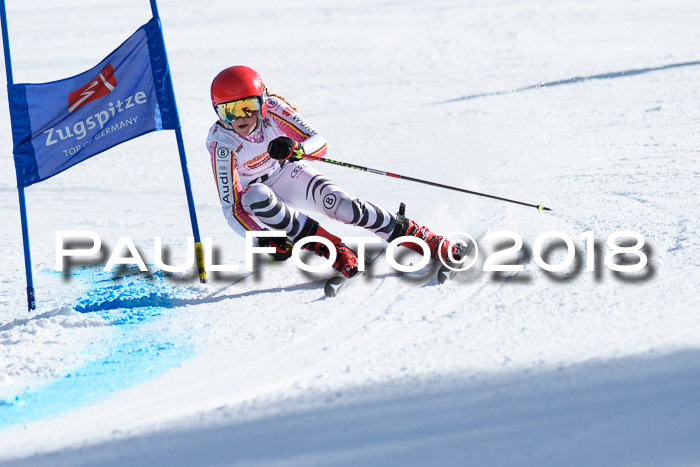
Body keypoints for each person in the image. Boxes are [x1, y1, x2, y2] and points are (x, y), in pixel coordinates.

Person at [206, 65, 463, 278]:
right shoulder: (222, 145)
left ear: (262, 101)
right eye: (227, 111)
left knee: (343, 207)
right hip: (258, 193)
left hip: (286, 173)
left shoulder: (273, 109)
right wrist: (262, 239)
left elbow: (319, 143)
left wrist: (297, 148)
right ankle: (335, 250)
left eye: (247, 106)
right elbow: (232, 209)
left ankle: (424, 239)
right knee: (255, 196)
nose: (239, 118)